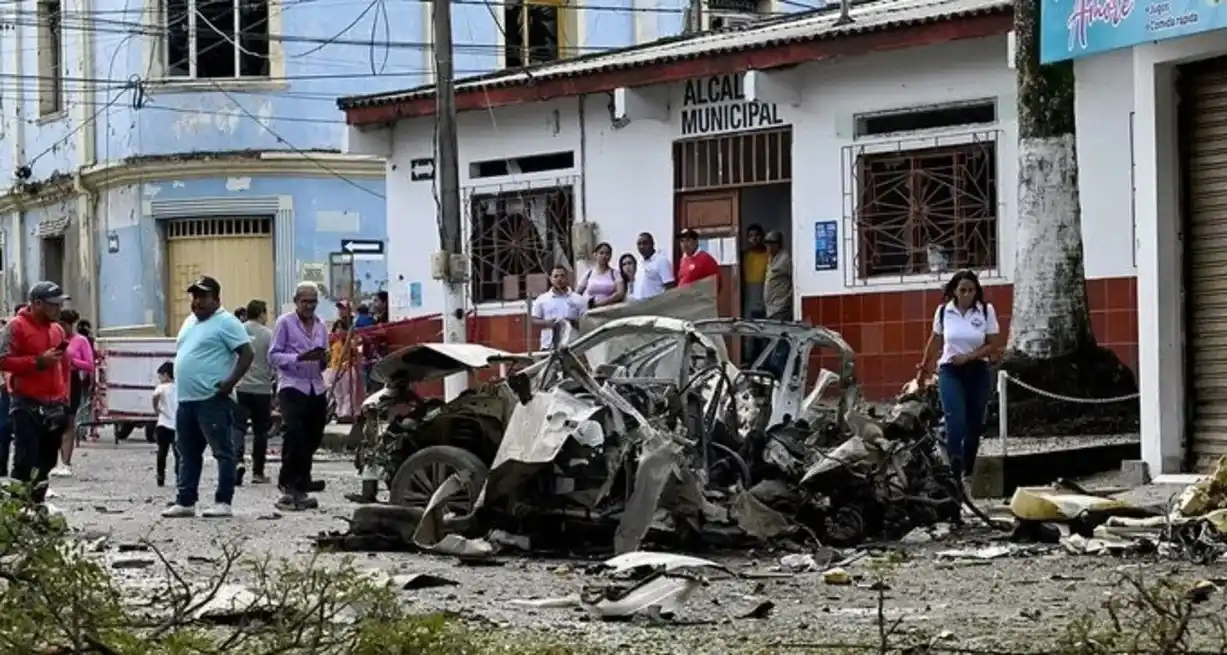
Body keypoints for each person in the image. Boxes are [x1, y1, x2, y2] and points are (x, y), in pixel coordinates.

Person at [162, 276, 255, 519]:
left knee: (222, 452)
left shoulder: (226, 322)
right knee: (187, 452)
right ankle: (186, 501)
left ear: (216, 299)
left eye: (203, 296)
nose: (197, 302)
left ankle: (223, 502)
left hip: (212, 398)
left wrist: (230, 382)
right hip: (187, 399)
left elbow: (246, 353)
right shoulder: (190, 321)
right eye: (195, 297)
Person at [916, 270, 1003, 490]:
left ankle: (968, 469)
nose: (967, 294)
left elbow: (993, 344)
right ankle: (953, 474)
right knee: (955, 421)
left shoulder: (985, 310)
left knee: (974, 423)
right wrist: (924, 368)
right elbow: (935, 341)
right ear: (954, 290)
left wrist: (970, 356)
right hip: (950, 370)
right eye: (962, 290)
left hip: (977, 369)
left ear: (977, 291)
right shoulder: (945, 311)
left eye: (971, 290)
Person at [0, 283, 71, 504]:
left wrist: (64, 397)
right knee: (25, 459)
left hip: (54, 403)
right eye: (54, 305)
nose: (59, 310)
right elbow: (2, 359)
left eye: (60, 305)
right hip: (26, 403)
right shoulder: (15, 327)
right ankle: (18, 509)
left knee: (47, 460)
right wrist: (37, 362)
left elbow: (62, 365)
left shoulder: (57, 329)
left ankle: (36, 503)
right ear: (37, 304)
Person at [268, 282, 330, 512]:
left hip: (316, 385)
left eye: (313, 301)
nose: (309, 306)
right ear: (296, 301)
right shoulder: (284, 323)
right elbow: (273, 356)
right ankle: (289, 484)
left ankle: (302, 480)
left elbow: (324, 359)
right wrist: (298, 358)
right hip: (292, 385)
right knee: (295, 433)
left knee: (313, 435)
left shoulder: (321, 326)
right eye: (305, 301)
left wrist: (323, 359)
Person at [234, 299, 274, 485]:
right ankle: (258, 472)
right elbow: (273, 361)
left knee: (238, 428)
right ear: (261, 313)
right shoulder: (269, 335)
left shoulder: (237, 330)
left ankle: (237, 462)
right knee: (260, 431)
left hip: (240, 387)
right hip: (262, 389)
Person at [50, 309, 94, 478]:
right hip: (55, 381)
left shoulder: (80, 341)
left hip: (72, 382)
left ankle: (66, 462)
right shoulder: (54, 338)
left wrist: (71, 360)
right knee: (54, 423)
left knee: (69, 422)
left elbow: (89, 364)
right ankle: (53, 461)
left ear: (70, 324)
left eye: (63, 324)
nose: (61, 327)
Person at [530, 265, 587, 350]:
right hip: (548, 347)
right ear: (550, 279)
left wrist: (574, 322)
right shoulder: (542, 299)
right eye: (556, 276)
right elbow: (533, 320)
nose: (559, 279)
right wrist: (547, 323)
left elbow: (587, 321)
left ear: (568, 278)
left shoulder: (579, 299)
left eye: (562, 276)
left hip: (573, 346)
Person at [326, 300, 360, 422]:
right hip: (336, 365)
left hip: (348, 365)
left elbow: (356, 347)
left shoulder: (354, 324)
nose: (341, 311)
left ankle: (347, 413)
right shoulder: (336, 329)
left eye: (343, 308)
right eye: (339, 308)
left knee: (349, 391)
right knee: (338, 391)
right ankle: (339, 412)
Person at [151, 361, 178, 487]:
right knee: (178, 453)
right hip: (177, 425)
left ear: (166, 375)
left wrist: (156, 409)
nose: (160, 380)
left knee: (162, 452)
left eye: (160, 377)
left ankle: (160, 476)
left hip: (163, 424)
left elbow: (155, 396)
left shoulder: (162, 387)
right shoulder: (178, 386)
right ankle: (180, 476)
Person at [576, 242, 626, 308]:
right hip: (589, 310)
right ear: (595, 254)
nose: (604, 256)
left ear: (610, 256)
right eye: (601, 253)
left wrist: (600, 303)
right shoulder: (589, 273)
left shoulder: (615, 273)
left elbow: (620, 293)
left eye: (607, 253)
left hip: (608, 310)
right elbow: (577, 293)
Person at [632, 232, 674, 300]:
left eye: (645, 243)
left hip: (655, 305)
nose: (642, 246)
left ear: (652, 244)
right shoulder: (639, 262)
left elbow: (669, 287)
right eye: (639, 244)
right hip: (639, 305)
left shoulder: (661, 261)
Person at [742, 224, 769, 320]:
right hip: (750, 291)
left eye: (756, 235)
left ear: (762, 236)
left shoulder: (769, 254)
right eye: (750, 236)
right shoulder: (745, 255)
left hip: (765, 289)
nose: (754, 238)